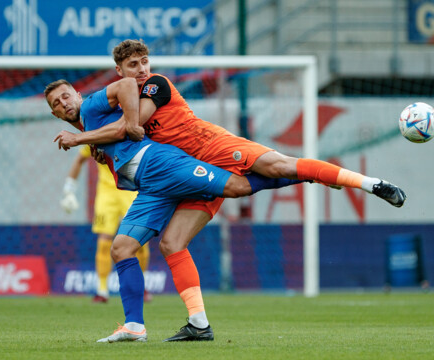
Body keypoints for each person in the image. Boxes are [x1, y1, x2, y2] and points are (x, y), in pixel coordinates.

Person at [59, 39, 407, 342]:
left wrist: (84, 137)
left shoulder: (155, 85)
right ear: (119, 70)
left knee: (279, 167)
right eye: (132, 65)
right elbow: (120, 132)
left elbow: (127, 128)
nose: (140, 69)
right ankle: (198, 324)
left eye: (143, 62)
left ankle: (370, 183)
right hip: (180, 175)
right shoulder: (118, 105)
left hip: (213, 148)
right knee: (171, 243)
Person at [45, 78, 303, 342]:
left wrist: (96, 135)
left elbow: (126, 98)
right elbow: (102, 147)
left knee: (236, 186)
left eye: (65, 96)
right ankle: (146, 323)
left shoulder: (98, 106)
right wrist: (89, 158)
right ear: (54, 113)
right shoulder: (90, 129)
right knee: (129, 246)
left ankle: (306, 172)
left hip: (166, 166)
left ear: (77, 94)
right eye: (56, 103)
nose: (63, 104)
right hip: (143, 186)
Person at [61, 145, 151, 303]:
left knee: (140, 240)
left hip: (130, 191)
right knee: (104, 241)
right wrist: (69, 189)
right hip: (106, 195)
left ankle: (140, 285)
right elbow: (80, 159)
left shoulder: (127, 133)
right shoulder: (96, 136)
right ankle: (102, 290)